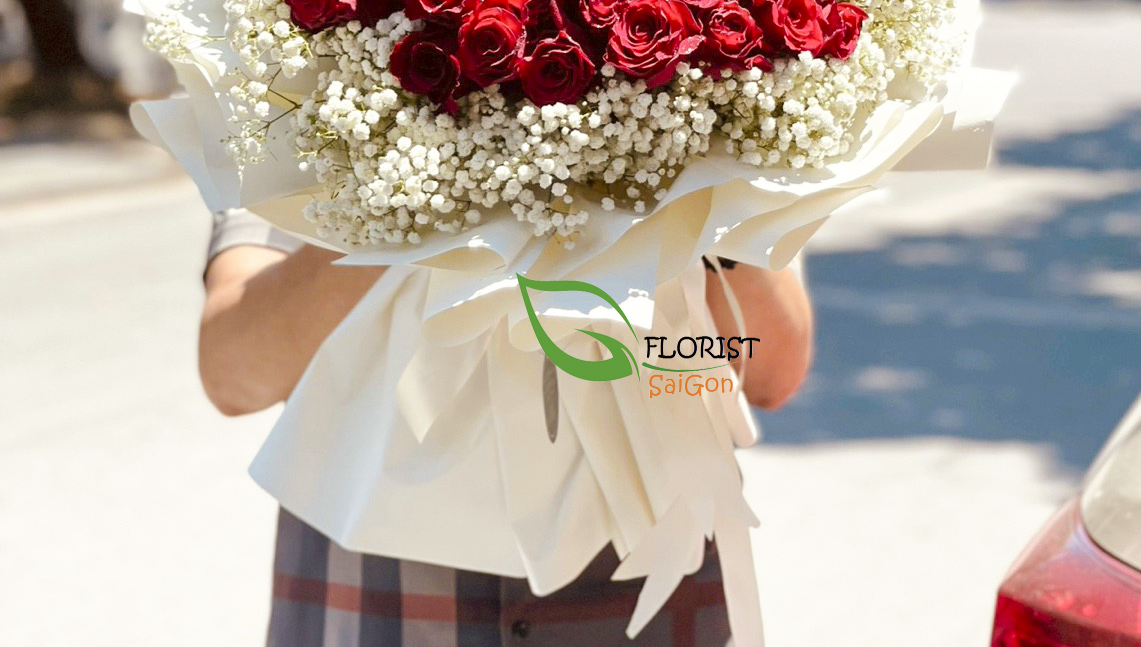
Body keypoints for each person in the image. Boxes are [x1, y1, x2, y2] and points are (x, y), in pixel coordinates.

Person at [201, 208, 814, 647]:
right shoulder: (291, 88)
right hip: (385, 586)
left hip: (644, 573)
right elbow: (233, 373)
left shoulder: (718, 87)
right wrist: (404, 194)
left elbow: (770, 371)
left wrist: (707, 201)